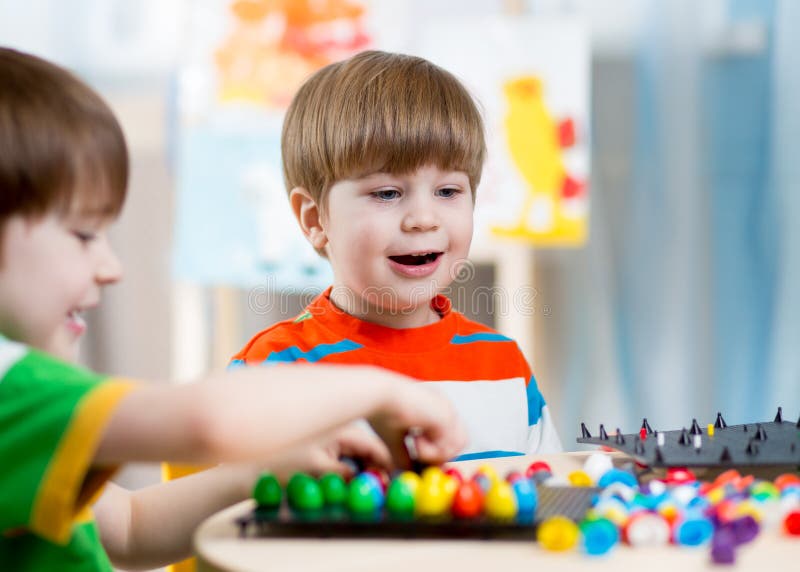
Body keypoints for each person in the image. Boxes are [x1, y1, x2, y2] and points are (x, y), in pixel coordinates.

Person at [0, 46, 466, 571]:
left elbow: (129, 530)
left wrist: (269, 474)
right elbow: (207, 421)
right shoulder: (11, 391)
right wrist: (386, 389)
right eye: (84, 235)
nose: (112, 267)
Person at [230, 50, 563, 460]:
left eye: (448, 191)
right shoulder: (273, 371)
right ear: (315, 219)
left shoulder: (504, 368)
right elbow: (227, 513)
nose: (423, 219)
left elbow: (550, 495)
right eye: (387, 193)